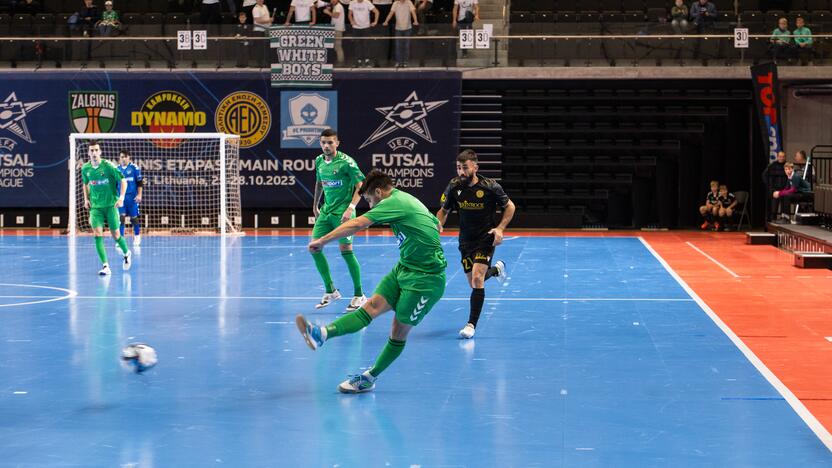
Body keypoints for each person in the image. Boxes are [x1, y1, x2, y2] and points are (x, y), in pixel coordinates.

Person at [296, 169, 448, 393]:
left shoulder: (393, 202)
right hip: (404, 268)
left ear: (378, 192)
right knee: (371, 307)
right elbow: (436, 224)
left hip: (426, 280)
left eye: (368, 199)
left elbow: (357, 224)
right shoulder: (406, 199)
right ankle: (322, 334)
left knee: (398, 330)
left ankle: (370, 377)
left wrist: (323, 240)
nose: (369, 204)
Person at [437, 149, 515, 339]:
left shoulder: (490, 187)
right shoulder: (453, 186)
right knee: (473, 281)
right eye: (458, 168)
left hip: (485, 238)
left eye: (465, 168)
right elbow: (443, 211)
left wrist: (500, 228)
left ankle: (471, 325)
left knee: (478, 279)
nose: (461, 172)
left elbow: (510, 206)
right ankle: (496, 270)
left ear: (475, 167)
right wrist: (435, 227)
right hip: (465, 241)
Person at [310, 129, 367, 311]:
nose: (326, 146)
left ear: (337, 143)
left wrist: (351, 208)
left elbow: (362, 186)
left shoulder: (347, 163)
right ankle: (331, 291)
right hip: (326, 212)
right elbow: (319, 183)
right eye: (323, 142)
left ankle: (359, 295)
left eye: (330, 143)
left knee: (346, 251)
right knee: (314, 247)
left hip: (343, 214)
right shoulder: (319, 161)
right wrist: (315, 205)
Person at [81, 141, 132, 275]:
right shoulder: (85, 168)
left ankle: (126, 253)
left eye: (96, 150)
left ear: (100, 152)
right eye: (91, 150)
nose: (94, 153)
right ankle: (105, 266)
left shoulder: (108, 166)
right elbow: (85, 184)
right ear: (88, 153)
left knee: (116, 235)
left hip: (110, 205)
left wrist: (121, 198)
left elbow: (123, 181)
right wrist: (86, 199)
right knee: (98, 234)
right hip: (96, 207)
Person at [117, 150, 143, 246]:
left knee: (134, 219)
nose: (123, 159)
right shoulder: (117, 169)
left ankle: (137, 236)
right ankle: (121, 240)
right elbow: (115, 185)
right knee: (121, 218)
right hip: (121, 198)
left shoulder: (134, 168)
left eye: (125, 157)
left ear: (129, 157)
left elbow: (140, 182)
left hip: (132, 198)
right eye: (121, 157)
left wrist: (139, 195)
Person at [383, 0, 418, 67]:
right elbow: (391, 13)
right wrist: (386, 21)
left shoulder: (409, 2)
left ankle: (405, 62)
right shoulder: (395, 3)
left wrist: (415, 20)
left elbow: (413, 12)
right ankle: (398, 62)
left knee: (406, 46)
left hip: (407, 28)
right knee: (398, 46)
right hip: (398, 29)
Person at [348, 0, 378, 67]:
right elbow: (349, 14)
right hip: (356, 28)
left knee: (366, 45)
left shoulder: (367, 2)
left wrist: (375, 22)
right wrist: (351, 21)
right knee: (357, 45)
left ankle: (367, 61)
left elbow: (376, 12)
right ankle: (358, 61)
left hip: (366, 27)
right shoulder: (352, 3)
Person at [762, 150, 787, 221]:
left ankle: (784, 221)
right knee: (774, 208)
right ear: (777, 157)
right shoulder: (772, 165)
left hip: (784, 189)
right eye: (780, 156)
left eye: (783, 157)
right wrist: (769, 185)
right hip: (774, 189)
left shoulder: (788, 165)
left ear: (785, 157)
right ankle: (772, 222)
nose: (781, 158)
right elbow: (764, 175)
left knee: (784, 208)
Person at [320, 0, 346, 65]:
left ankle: (341, 62)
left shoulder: (338, 6)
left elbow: (336, 16)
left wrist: (327, 12)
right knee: (336, 47)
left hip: (338, 29)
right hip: (336, 28)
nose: (333, 1)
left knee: (338, 47)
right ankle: (339, 61)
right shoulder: (335, 6)